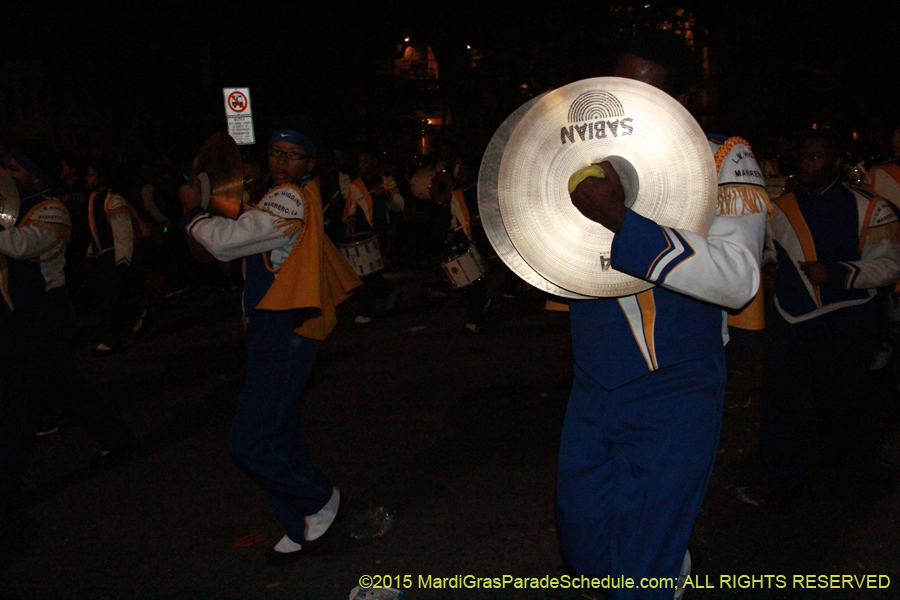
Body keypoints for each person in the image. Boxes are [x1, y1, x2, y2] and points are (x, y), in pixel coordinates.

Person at [558, 31, 769, 599]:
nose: (629, 102)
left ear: (680, 102)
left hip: (674, 384)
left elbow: (738, 278)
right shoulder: (572, 157)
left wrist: (623, 221)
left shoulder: (723, 155)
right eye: (620, 86)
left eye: (647, 91)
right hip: (591, 382)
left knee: (639, 570)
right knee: (584, 542)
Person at [179, 129, 360, 564]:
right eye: (277, 153)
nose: (282, 161)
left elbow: (226, 243)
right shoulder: (282, 195)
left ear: (309, 165)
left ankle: (318, 500)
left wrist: (192, 214)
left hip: (284, 330)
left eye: (295, 155)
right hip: (274, 327)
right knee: (278, 427)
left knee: (249, 440)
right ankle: (298, 524)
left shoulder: (289, 199)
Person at [757, 130, 900, 510]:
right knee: (779, 402)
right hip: (790, 319)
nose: (806, 163)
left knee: (841, 403)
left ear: (837, 161)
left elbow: (889, 266)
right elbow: (769, 254)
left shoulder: (870, 207)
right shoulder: (779, 207)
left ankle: (840, 478)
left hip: (847, 320)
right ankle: (783, 482)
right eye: (802, 156)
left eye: (815, 157)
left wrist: (837, 273)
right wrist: (769, 269)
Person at [1, 141, 137, 514]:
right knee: (61, 385)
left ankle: (6, 485)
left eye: (13, 170)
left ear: (35, 175)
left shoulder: (51, 209)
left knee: (20, 400)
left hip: (43, 311)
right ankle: (117, 437)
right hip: (20, 312)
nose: (7, 176)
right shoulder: (13, 209)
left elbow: (24, 245)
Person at [84, 160, 147, 354]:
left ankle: (111, 339)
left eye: (91, 175)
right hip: (102, 256)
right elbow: (97, 229)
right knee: (108, 298)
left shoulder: (113, 200)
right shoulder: (95, 198)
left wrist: (122, 261)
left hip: (113, 256)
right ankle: (132, 318)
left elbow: (122, 232)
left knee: (111, 298)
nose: (87, 179)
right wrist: (91, 250)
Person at [342, 151, 401, 326]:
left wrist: (386, 195)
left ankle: (365, 311)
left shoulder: (387, 181)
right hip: (362, 233)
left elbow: (399, 205)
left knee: (369, 272)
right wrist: (351, 219)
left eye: (366, 161)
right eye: (361, 162)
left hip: (380, 232)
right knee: (365, 272)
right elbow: (352, 207)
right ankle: (389, 290)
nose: (363, 165)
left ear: (375, 162)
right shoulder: (355, 184)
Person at [446, 164, 490, 333]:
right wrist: (452, 230)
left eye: (464, 174)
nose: (460, 178)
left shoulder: (481, 192)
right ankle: (482, 303)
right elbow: (454, 218)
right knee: (469, 283)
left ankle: (474, 320)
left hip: (481, 241)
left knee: (475, 281)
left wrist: (482, 221)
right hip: (464, 242)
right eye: (459, 175)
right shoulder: (456, 195)